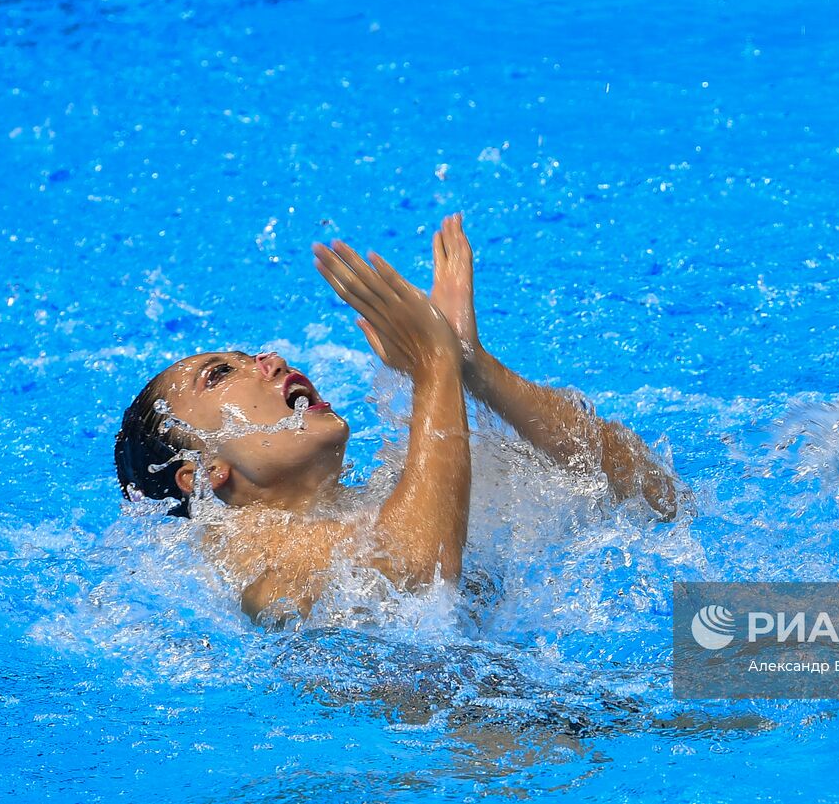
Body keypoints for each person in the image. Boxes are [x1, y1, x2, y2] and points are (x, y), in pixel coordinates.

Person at [114, 214, 677, 624]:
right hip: (456, 759)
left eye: (248, 355)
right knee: (747, 664)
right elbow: (420, 578)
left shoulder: (391, 490)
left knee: (752, 655)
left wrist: (469, 367)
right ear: (203, 470)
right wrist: (433, 368)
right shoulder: (249, 557)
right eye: (219, 375)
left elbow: (650, 493)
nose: (271, 360)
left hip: (546, 707)